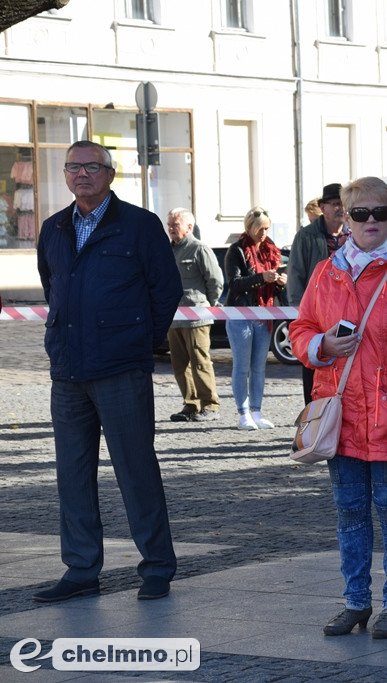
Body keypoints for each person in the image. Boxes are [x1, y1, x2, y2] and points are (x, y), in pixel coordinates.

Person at [289, 177, 387, 640]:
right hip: (342, 414)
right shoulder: (326, 271)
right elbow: (302, 328)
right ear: (344, 217)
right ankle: (356, 601)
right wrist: (322, 345)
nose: (371, 221)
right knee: (349, 511)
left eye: (380, 212)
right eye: (361, 214)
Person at [34, 140, 181, 602]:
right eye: (73, 167)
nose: (82, 174)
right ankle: (81, 569)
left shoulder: (139, 225)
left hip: (121, 368)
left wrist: (138, 341)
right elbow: (51, 285)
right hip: (69, 370)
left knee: (136, 468)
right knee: (72, 474)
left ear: (110, 174)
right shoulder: (54, 228)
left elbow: (166, 290)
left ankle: (156, 566)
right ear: (64, 175)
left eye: (91, 167)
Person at [224, 206, 287, 430]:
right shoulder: (236, 250)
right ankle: (243, 413)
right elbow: (234, 283)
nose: (263, 233)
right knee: (242, 366)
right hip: (240, 313)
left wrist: (280, 282)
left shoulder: (271, 251)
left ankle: (256, 411)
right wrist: (262, 277)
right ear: (249, 227)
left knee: (259, 367)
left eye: (267, 229)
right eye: (260, 229)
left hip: (264, 314)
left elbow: (273, 286)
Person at [288, 183, 346, 405]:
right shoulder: (306, 236)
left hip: (349, 315)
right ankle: (312, 426)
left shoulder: (353, 234)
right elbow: (295, 275)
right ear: (322, 207)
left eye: (343, 203)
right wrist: (302, 316)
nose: (340, 208)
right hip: (317, 316)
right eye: (334, 204)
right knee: (314, 372)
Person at [166, 208, 223, 423]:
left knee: (200, 362)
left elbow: (215, 281)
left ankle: (210, 405)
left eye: (175, 224)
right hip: (174, 316)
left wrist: (207, 305)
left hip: (196, 317)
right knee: (179, 364)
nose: (171, 227)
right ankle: (191, 404)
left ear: (189, 227)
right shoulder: (167, 250)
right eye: (169, 224)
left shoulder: (199, 249)